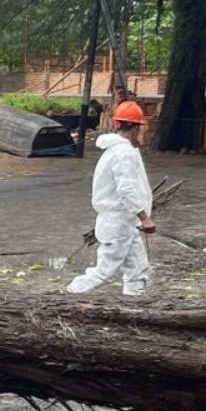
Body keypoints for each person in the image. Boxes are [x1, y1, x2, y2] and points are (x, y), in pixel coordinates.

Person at [66, 100, 156, 296]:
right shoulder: (124, 153)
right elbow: (127, 189)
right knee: (104, 272)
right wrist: (144, 217)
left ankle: (135, 305)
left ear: (117, 124)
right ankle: (69, 294)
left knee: (138, 268)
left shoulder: (117, 150)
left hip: (124, 223)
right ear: (137, 127)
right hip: (118, 222)